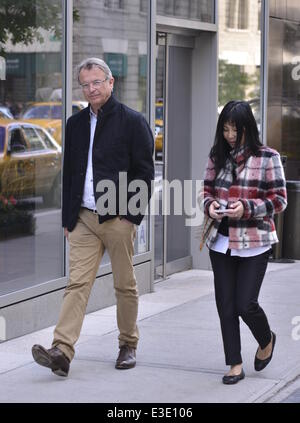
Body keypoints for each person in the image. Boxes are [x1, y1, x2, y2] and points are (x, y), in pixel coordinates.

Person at [32, 58, 154, 377]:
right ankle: (62, 350)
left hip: (117, 218)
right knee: (76, 284)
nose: (91, 89)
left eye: (97, 82)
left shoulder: (132, 121)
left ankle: (128, 344)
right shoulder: (74, 124)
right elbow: (71, 172)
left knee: (124, 285)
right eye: (85, 84)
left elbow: (144, 173)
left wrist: (131, 216)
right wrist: (67, 220)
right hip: (83, 218)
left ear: (111, 82)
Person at [201, 100, 287, 385]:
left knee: (245, 304)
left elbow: (279, 200)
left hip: (255, 241)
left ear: (247, 127)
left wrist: (246, 208)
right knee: (226, 305)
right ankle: (234, 363)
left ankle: (266, 339)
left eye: (234, 130)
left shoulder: (268, 157)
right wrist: (210, 205)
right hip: (221, 241)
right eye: (225, 129)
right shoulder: (217, 155)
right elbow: (206, 190)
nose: (229, 135)